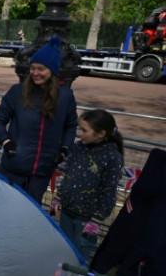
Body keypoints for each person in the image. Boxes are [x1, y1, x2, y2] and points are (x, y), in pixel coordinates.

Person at [0, 35, 78, 204]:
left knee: (30, 213)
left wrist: (64, 149)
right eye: (33, 68)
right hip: (14, 167)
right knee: (6, 208)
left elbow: (70, 125)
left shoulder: (66, 96)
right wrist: (6, 142)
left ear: (52, 71)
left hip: (42, 170)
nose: (35, 73)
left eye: (41, 69)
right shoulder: (17, 91)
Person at [90, 148, 166, 276]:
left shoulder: (145, 185)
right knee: (153, 248)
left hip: (144, 200)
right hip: (151, 210)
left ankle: (103, 274)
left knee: (122, 236)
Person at [50, 110, 123, 262]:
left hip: (87, 218)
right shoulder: (78, 148)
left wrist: (97, 219)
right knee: (64, 250)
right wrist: (58, 197)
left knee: (80, 255)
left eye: (84, 130)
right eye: (79, 129)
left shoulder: (112, 157)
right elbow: (68, 175)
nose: (79, 133)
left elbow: (109, 190)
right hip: (67, 210)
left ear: (101, 133)